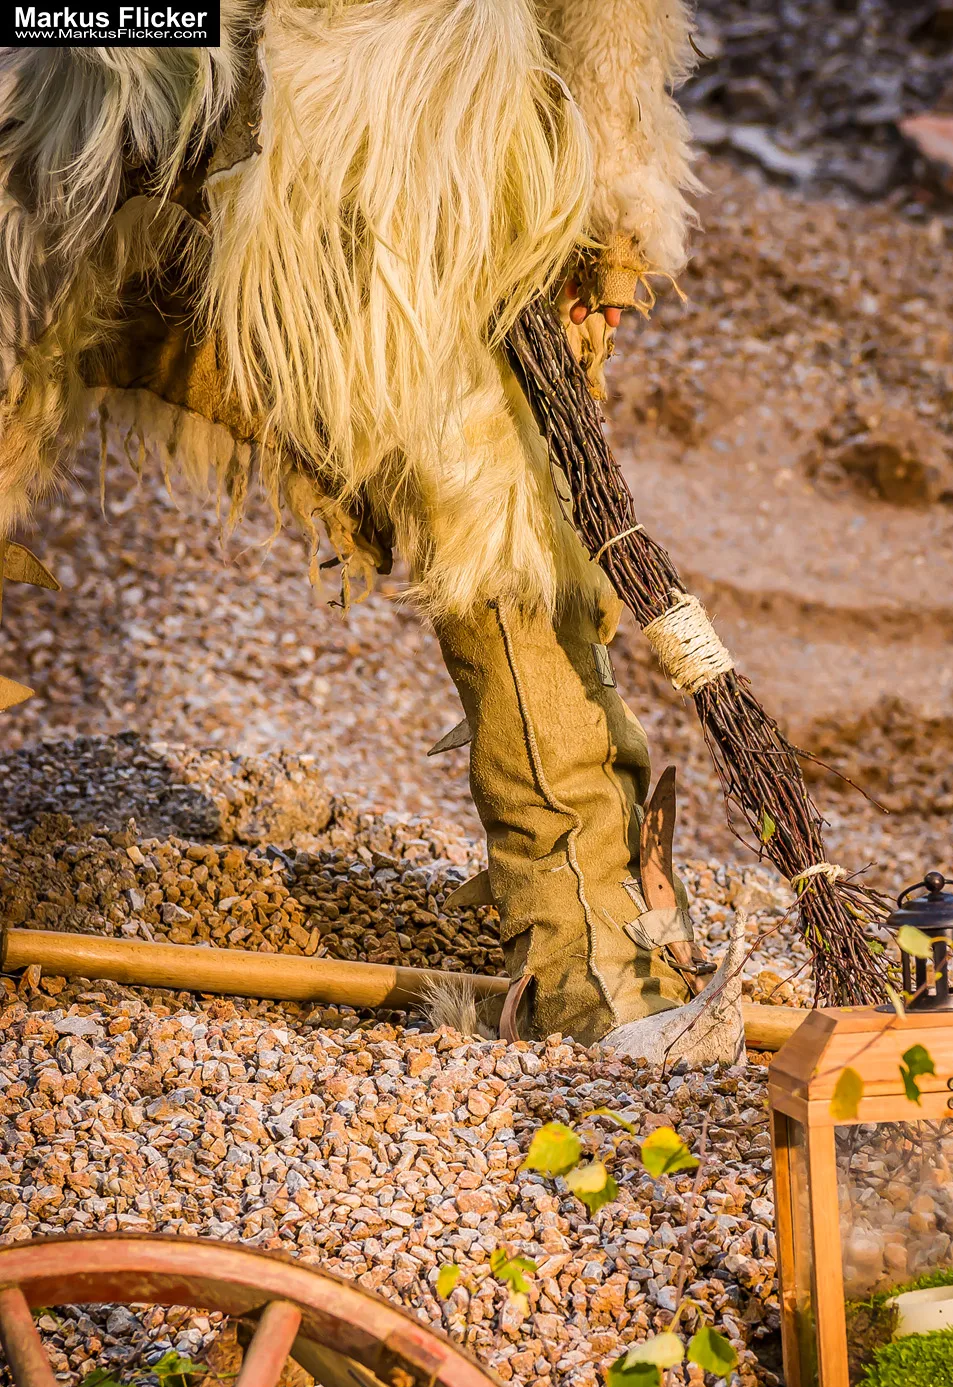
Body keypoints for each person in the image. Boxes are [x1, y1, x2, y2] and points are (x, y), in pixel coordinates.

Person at [0, 0, 700, 1040]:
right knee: (496, 492)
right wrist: (612, 194)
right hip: (365, 97)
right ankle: (599, 962)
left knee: (20, 334)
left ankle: (597, 957)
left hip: (164, 65)